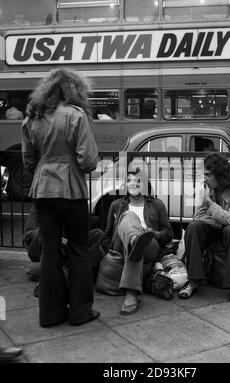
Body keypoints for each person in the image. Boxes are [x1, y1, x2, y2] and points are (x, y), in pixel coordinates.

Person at [22, 68, 100, 327]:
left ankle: (50, 315)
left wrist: (45, 169)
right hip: (71, 190)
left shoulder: (33, 117)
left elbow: (28, 161)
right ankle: (80, 312)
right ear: (74, 90)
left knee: (50, 253)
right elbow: (88, 161)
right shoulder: (75, 116)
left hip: (42, 191)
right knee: (79, 250)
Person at [178, 153, 230, 302]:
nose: (204, 178)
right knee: (194, 227)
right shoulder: (205, 187)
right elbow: (198, 217)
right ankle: (193, 280)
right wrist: (222, 218)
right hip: (214, 228)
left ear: (219, 175)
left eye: (207, 174)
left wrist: (210, 204)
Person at [102, 168, 173, 315]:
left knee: (140, 242)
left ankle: (136, 241)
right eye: (129, 180)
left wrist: (154, 234)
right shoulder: (116, 205)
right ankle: (134, 240)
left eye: (137, 181)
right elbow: (107, 236)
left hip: (149, 245)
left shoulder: (157, 205)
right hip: (120, 245)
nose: (132, 184)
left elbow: (169, 234)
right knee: (128, 216)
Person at [23, 205, 106, 296]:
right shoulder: (40, 206)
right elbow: (28, 236)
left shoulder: (70, 205)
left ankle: (68, 271)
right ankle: (47, 282)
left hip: (66, 248)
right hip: (43, 245)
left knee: (98, 234)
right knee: (46, 229)